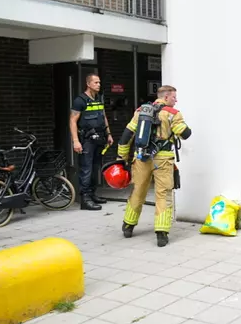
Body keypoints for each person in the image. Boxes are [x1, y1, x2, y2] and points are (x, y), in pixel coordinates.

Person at [117, 85, 192, 247]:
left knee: (137, 190)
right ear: (165, 97)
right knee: (163, 194)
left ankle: (128, 226)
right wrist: (183, 127)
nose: (176, 100)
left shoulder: (140, 111)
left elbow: (126, 136)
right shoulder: (173, 114)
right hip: (163, 160)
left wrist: (121, 158)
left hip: (141, 158)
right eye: (174, 97)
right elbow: (185, 134)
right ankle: (161, 233)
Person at [70, 73, 113, 211]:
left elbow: (103, 116)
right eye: (96, 82)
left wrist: (108, 134)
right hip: (86, 140)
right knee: (86, 169)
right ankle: (85, 199)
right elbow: (72, 121)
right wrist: (76, 141)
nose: (99, 85)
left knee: (95, 168)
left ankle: (93, 194)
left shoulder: (99, 98)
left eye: (99, 82)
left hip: (99, 138)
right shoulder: (80, 100)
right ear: (88, 84)